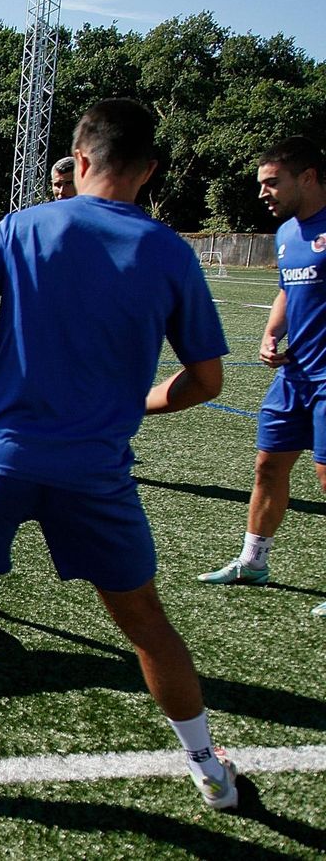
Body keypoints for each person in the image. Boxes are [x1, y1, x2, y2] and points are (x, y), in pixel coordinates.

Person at [0, 100, 238, 811]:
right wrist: (142, 402)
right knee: (145, 621)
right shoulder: (170, 251)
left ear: (80, 160)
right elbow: (208, 380)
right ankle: (209, 770)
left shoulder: (23, 227)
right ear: (150, 170)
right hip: (96, 471)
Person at [199, 136, 326, 618]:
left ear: (307, 177)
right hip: (295, 375)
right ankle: (253, 562)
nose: (262, 193)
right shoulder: (287, 233)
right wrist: (272, 334)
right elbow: (287, 291)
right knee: (268, 466)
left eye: (272, 182)